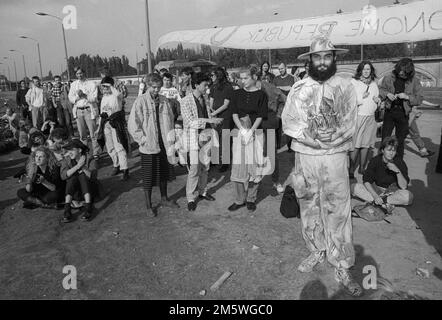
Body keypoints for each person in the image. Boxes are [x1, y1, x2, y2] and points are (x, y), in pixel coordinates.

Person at [281, 36, 362, 296]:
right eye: (318, 57)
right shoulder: (299, 88)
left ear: (334, 58)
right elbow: (289, 121)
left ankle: (341, 262)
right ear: (310, 60)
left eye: (328, 56)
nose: (323, 61)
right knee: (309, 204)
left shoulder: (346, 86)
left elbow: (350, 121)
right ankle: (316, 250)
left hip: (336, 155)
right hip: (305, 155)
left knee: (339, 207)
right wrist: (309, 139)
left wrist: (332, 139)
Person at [128, 73, 178, 217]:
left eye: (158, 87)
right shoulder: (140, 101)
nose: (156, 90)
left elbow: (171, 119)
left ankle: (164, 198)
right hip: (148, 145)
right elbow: (133, 124)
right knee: (149, 176)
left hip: (164, 143)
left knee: (164, 173)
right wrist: (142, 139)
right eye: (154, 87)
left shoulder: (164, 101)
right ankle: (148, 205)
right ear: (148, 86)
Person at [228, 67, 269, 212]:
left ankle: (251, 198)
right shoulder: (236, 93)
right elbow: (233, 113)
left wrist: (250, 131)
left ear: (254, 77)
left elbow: (260, 115)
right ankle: (240, 199)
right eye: (241, 78)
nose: (242, 81)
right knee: (238, 166)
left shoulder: (261, 95)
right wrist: (243, 130)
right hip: (240, 132)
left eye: (246, 78)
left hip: (256, 133)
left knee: (255, 166)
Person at [180, 72, 222, 211]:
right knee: (193, 169)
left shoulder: (205, 98)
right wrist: (209, 120)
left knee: (205, 167)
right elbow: (190, 122)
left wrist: (213, 123)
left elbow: (207, 115)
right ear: (196, 85)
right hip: (193, 138)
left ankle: (202, 192)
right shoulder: (186, 101)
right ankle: (190, 197)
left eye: (207, 85)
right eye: (205, 85)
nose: (207, 88)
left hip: (206, 137)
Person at [351, 136, 413, 212]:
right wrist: (375, 196)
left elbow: (403, 186)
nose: (391, 153)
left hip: (392, 192)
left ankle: (380, 201)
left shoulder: (399, 162)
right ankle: (380, 201)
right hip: (376, 189)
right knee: (354, 187)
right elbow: (366, 180)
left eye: (393, 151)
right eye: (388, 150)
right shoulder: (375, 161)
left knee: (408, 196)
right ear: (382, 150)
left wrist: (397, 171)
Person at [379, 58, 423, 159]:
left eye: (404, 72)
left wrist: (407, 97)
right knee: (385, 138)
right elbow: (381, 90)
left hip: (403, 114)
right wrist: (387, 94)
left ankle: (398, 161)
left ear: (409, 71)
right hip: (389, 112)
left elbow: (419, 99)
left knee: (400, 140)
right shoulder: (388, 77)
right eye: (400, 71)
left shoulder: (414, 81)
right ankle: (382, 159)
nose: (401, 73)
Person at [349, 61, 381, 177]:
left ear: (371, 70)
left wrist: (378, 101)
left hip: (370, 117)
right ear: (360, 70)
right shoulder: (354, 82)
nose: (366, 71)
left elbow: (376, 98)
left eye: (368, 69)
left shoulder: (373, 84)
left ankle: (362, 168)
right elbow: (348, 100)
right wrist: (361, 97)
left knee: (366, 144)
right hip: (359, 116)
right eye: (364, 69)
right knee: (356, 144)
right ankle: (351, 169)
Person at [256, 72, 286, 193]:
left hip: (269, 121)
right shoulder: (246, 89)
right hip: (255, 123)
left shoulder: (269, 87)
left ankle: (276, 181)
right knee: (257, 151)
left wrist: (278, 115)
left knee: (271, 152)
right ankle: (257, 175)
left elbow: (284, 99)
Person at [96, 76, 130, 180]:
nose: (104, 89)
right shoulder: (104, 98)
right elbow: (101, 113)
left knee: (119, 146)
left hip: (115, 124)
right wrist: (98, 128)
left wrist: (110, 85)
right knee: (110, 147)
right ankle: (116, 165)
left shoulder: (116, 96)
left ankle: (125, 169)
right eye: (103, 87)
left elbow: (119, 94)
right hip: (105, 125)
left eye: (106, 87)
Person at [60, 139, 95, 223]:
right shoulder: (67, 159)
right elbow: (63, 176)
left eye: (72, 149)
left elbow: (93, 177)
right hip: (75, 192)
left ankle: (88, 207)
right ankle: (67, 209)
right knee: (72, 177)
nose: (69, 152)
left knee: (82, 175)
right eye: (68, 150)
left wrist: (82, 167)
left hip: (90, 189)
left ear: (79, 150)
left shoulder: (89, 158)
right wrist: (78, 166)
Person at [68, 67, 100, 158]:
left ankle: (96, 153)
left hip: (88, 110)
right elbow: (71, 98)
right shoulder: (74, 84)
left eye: (81, 73)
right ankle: (85, 152)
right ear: (76, 75)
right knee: (82, 134)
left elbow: (94, 98)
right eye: (77, 74)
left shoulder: (91, 84)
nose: (79, 75)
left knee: (93, 133)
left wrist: (84, 95)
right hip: (78, 110)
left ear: (84, 73)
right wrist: (78, 96)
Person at [209, 67, 234, 172]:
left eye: (213, 75)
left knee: (225, 140)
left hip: (225, 117)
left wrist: (214, 113)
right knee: (214, 138)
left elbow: (226, 104)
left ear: (218, 75)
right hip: (215, 116)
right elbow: (211, 100)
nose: (211, 77)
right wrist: (211, 110)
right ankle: (214, 160)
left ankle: (226, 163)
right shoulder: (213, 87)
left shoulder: (228, 87)